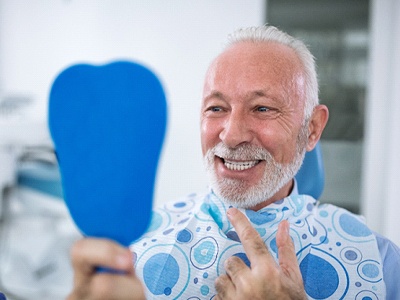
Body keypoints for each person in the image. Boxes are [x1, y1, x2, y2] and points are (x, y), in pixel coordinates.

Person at [67, 25, 400, 299]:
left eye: (262, 108)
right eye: (216, 108)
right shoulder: (133, 250)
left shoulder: (379, 263)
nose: (231, 135)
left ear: (311, 129)